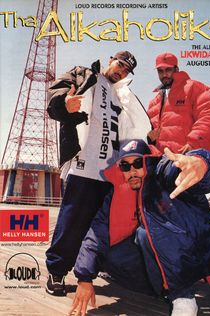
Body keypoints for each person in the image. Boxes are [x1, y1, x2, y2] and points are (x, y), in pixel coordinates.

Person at [69, 139, 210, 316]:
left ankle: (183, 296)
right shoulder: (116, 193)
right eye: (125, 166)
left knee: (145, 234)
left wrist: (201, 162)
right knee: (112, 256)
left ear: (148, 162)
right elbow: (96, 234)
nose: (132, 171)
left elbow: (180, 170)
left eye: (138, 163)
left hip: (198, 250)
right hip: (163, 256)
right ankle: (162, 290)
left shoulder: (163, 175)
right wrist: (84, 278)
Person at [45, 51, 152, 296]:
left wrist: (149, 136)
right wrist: (64, 104)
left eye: (126, 71)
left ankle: (98, 266)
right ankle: (57, 272)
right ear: (111, 59)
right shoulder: (84, 74)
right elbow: (57, 94)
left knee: (106, 226)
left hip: (112, 173)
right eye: (120, 65)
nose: (121, 71)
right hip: (84, 166)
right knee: (71, 223)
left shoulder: (122, 94)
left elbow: (135, 126)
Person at [147, 52, 210, 156]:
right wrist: (150, 140)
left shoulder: (193, 88)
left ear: (176, 69)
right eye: (160, 71)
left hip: (188, 159)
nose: (164, 75)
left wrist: (194, 143)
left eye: (168, 70)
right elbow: (149, 131)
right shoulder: (155, 102)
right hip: (162, 162)